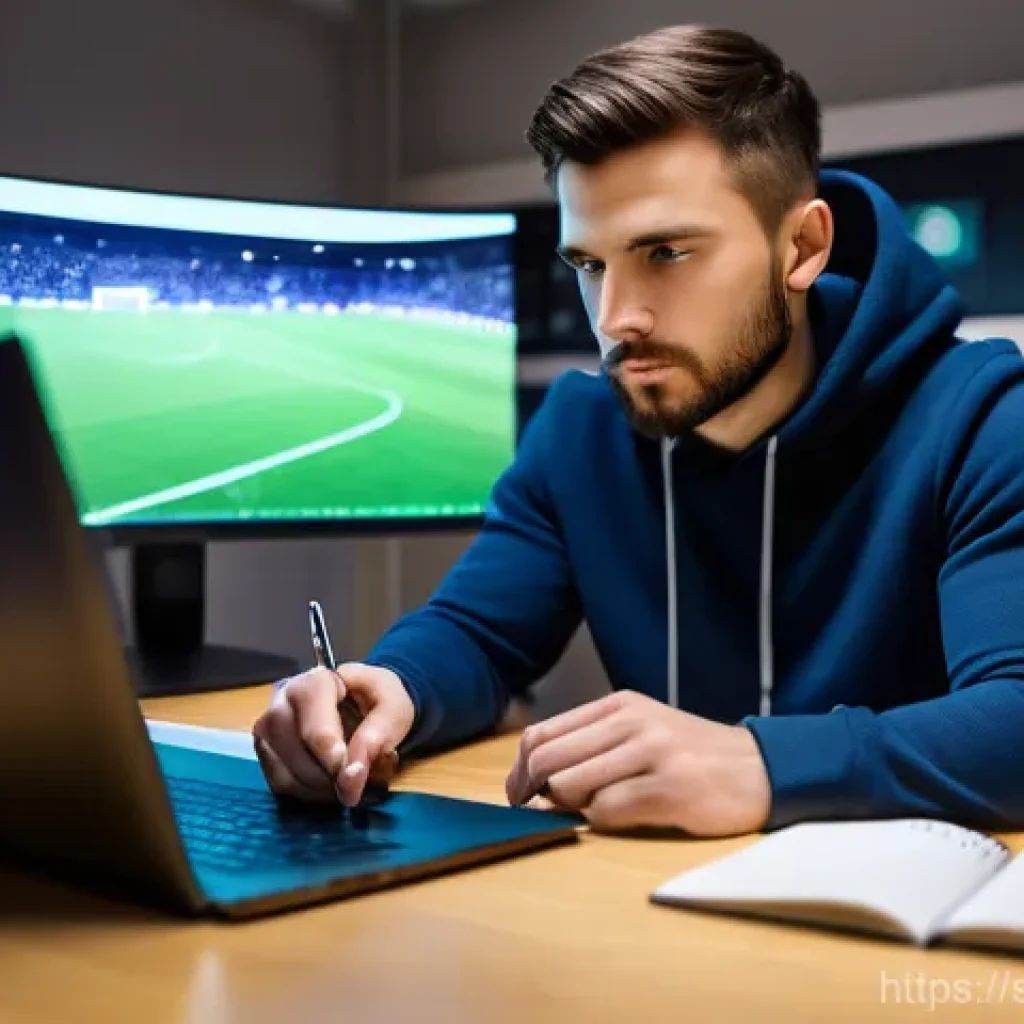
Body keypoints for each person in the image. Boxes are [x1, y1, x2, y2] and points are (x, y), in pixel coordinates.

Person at [253, 24, 1024, 837]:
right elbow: (478, 635)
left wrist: (763, 765)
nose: (616, 318)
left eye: (665, 251)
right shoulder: (580, 429)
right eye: (589, 263)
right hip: (645, 905)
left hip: (883, 934)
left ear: (802, 246)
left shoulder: (980, 418)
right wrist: (389, 690)